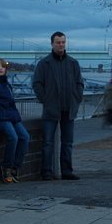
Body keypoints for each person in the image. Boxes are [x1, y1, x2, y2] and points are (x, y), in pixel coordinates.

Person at [32, 31, 84, 180]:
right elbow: (37, 84)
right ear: (52, 44)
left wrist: (77, 98)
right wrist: (46, 100)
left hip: (69, 109)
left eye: (63, 42)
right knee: (48, 143)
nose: (61, 45)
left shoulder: (73, 63)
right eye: (58, 42)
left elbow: (79, 83)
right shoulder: (44, 63)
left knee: (67, 143)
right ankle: (46, 172)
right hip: (51, 109)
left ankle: (67, 171)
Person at [0, 58, 30, 183]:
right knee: (13, 137)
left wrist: (17, 117)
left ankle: (15, 167)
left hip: (11, 115)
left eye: (3, 67)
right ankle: (6, 167)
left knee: (25, 136)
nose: (1, 68)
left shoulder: (6, 83)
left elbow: (11, 103)